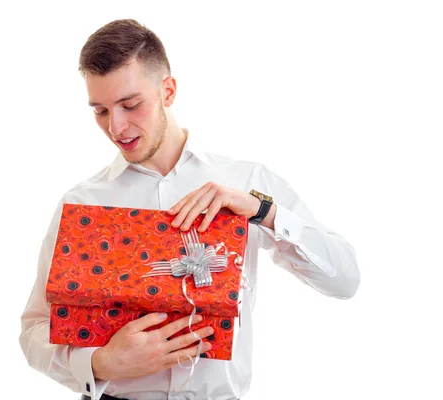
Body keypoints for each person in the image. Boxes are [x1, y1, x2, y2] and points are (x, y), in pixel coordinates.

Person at [19, 19, 360, 400]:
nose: (116, 127)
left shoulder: (245, 180)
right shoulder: (81, 203)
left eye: (131, 105)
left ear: (168, 91)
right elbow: (35, 329)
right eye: (100, 111)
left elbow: (345, 280)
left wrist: (262, 211)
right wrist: (98, 364)